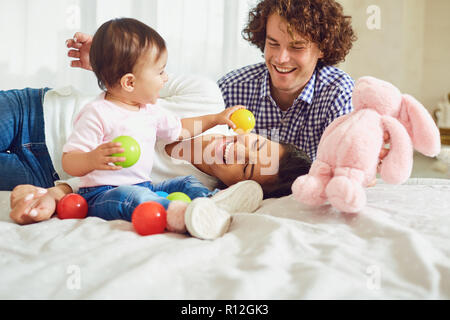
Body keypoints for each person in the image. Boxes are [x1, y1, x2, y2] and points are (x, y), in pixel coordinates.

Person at [60, 17, 248, 239]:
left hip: (144, 185)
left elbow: (179, 130)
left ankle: (213, 202)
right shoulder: (97, 113)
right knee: (134, 197)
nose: (165, 78)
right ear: (129, 83)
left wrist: (215, 119)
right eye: (160, 72)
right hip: (102, 194)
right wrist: (91, 159)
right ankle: (183, 215)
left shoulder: (150, 111)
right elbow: (69, 160)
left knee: (185, 182)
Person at [217, 0, 357, 161]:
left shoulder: (340, 94)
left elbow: (348, 168)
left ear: (322, 49)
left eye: (297, 47)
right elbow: (198, 159)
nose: (281, 58)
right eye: (273, 43)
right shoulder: (230, 89)